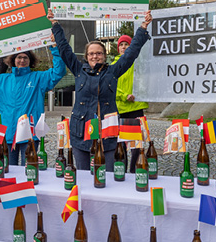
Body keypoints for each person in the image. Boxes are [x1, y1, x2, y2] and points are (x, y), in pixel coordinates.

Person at [49, 9, 153, 171]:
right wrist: (55, 24)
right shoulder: (78, 69)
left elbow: (131, 54)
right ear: (86, 56)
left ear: (104, 55)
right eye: (91, 54)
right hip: (81, 130)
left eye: (98, 53)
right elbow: (64, 48)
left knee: (108, 175)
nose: (95, 56)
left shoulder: (112, 71)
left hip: (108, 131)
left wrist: (143, 28)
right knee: (83, 175)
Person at [0, 47, 66, 166]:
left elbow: (59, 72)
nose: (22, 60)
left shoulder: (38, 78)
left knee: (29, 171)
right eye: (19, 57)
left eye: (25, 57)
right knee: (9, 172)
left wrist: (55, 49)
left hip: (30, 135)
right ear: (13, 60)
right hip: (7, 134)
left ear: (30, 60)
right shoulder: (1, 80)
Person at [112, 35, 149, 173]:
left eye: (126, 44)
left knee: (136, 145)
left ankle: (134, 171)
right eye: (121, 45)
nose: (123, 47)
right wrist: (123, 96)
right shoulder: (113, 65)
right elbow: (110, 86)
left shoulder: (140, 64)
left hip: (136, 108)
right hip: (120, 109)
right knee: (120, 144)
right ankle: (120, 171)